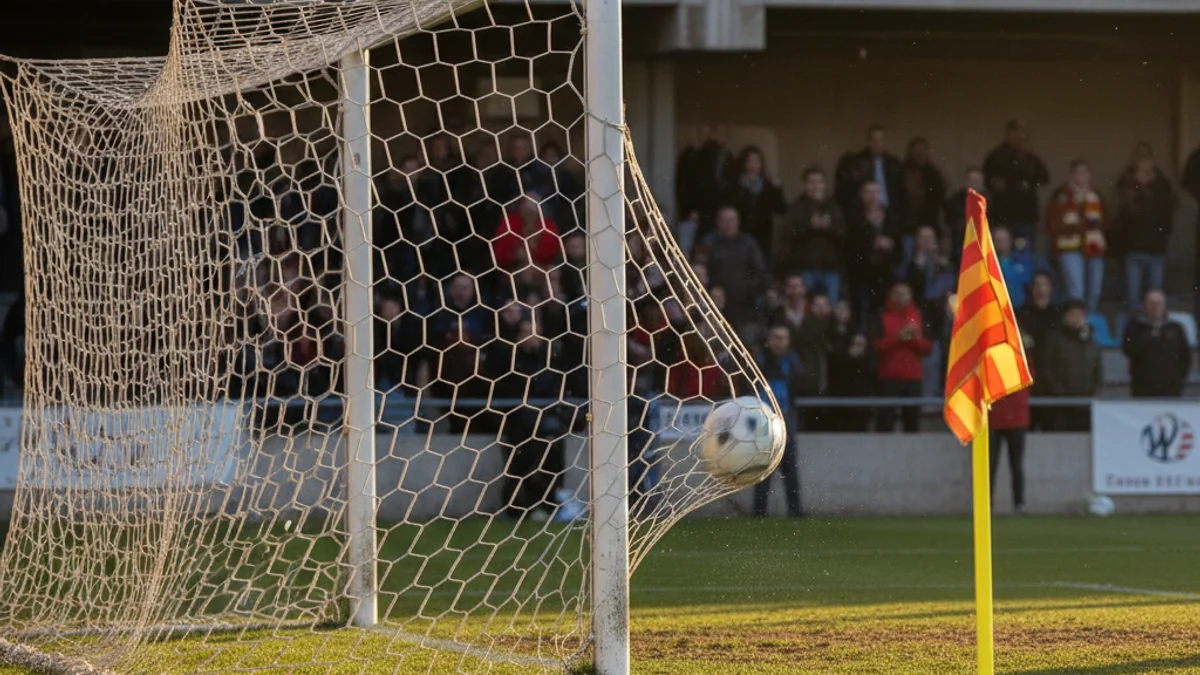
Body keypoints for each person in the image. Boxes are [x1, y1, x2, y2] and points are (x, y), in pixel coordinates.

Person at [752, 325, 805, 518]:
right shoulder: (761, 358)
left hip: (786, 416)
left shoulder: (792, 360)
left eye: (783, 338)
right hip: (763, 419)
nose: (779, 342)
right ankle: (759, 510)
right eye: (776, 337)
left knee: (789, 464)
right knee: (764, 465)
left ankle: (795, 509)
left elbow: (802, 381)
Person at [1115, 157, 1174, 316]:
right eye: (1141, 171)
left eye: (1149, 171)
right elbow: (1124, 218)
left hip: (1156, 250)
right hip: (1133, 250)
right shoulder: (1128, 191)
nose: (1145, 174)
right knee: (1133, 297)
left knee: (1155, 295)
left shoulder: (1162, 190)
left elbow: (1168, 217)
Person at [1046, 160, 1106, 313]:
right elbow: (1053, 223)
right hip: (1069, 248)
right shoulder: (1061, 195)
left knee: (1095, 291)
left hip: (1094, 248)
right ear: (1071, 175)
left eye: (1084, 173)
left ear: (1089, 175)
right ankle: (1076, 322)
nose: (1081, 176)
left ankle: (1089, 322)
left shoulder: (1096, 195)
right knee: (1075, 291)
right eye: (1077, 172)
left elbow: (1105, 221)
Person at [706, 206, 770, 349]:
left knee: (746, 348)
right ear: (718, 222)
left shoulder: (749, 243)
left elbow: (762, 274)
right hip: (719, 307)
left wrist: (746, 289)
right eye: (725, 220)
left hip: (746, 306)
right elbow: (701, 271)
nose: (729, 224)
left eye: (732, 220)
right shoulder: (709, 243)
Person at [872, 282, 931, 432]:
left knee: (912, 422)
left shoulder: (920, 316)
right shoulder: (881, 316)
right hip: (889, 376)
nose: (901, 297)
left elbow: (927, 348)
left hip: (912, 377)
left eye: (904, 294)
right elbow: (875, 346)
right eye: (897, 293)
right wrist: (898, 338)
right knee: (885, 421)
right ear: (891, 296)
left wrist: (914, 339)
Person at [779, 167, 845, 300]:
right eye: (811, 182)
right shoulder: (796, 207)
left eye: (819, 182)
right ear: (805, 185)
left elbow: (844, 235)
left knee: (831, 309)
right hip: (805, 268)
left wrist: (829, 227)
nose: (815, 186)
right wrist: (809, 226)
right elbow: (788, 235)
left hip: (830, 268)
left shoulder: (835, 207)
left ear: (825, 185)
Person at [983, 120, 1050, 248]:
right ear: (1008, 134)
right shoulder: (995, 157)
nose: (1019, 136)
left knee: (1025, 252)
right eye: (1015, 132)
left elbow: (1044, 178)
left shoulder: (1029, 157)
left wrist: (1028, 156)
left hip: (1026, 216)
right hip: (1003, 215)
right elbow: (986, 182)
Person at [1041, 300, 1101, 431]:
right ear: (1065, 317)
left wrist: (1094, 390)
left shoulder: (1091, 340)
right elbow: (1047, 368)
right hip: (1061, 404)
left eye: (1080, 314)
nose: (1077, 318)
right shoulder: (1055, 339)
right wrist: (1059, 391)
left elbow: (1098, 369)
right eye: (1073, 314)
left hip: (1085, 402)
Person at [847, 180, 901, 323]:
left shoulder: (891, 215)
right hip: (862, 273)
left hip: (887, 272)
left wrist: (890, 243)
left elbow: (899, 240)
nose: (872, 196)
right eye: (868, 192)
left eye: (875, 192)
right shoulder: (854, 216)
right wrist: (873, 243)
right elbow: (850, 243)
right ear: (861, 195)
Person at [1122, 290, 1192, 398]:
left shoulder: (1175, 328)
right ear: (1144, 305)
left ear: (1164, 306)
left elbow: (1185, 356)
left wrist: (1179, 378)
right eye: (1151, 303)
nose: (1155, 307)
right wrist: (1148, 336)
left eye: (1158, 303)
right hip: (1142, 387)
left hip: (1171, 389)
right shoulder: (1134, 327)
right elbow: (1127, 350)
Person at [1017, 272, 1060, 431]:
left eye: (1044, 284)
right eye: (1037, 284)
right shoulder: (1022, 313)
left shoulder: (1058, 314)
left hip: (1052, 378)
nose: (1041, 289)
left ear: (1050, 288)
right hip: (1029, 375)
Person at [835, 124, 905, 222]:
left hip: (889, 214)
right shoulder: (856, 162)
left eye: (881, 140)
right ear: (868, 142)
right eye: (874, 140)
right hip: (863, 214)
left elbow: (900, 192)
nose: (878, 144)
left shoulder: (893, 164)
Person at [823, 300, 873, 431]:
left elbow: (867, 363)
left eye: (844, 309)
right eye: (838, 309)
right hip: (835, 387)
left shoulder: (858, 335)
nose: (841, 313)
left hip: (856, 389)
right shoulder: (827, 333)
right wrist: (848, 355)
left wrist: (860, 353)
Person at [727, 146, 786, 255]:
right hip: (742, 232)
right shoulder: (737, 184)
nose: (753, 165)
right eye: (750, 161)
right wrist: (743, 189)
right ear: (744, 164)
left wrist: (777, 188)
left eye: (757, 161)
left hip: (763, 234)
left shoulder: (767, 184)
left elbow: (781, 209)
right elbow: (733, 206)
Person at [492, 193, 563, 271]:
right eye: (526, 207)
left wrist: (535, 249)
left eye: (533, 207)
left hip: (542, 267)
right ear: (520, 207)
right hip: (512, 269)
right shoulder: (509, 222)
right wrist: (515, 254)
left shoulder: (548, 226)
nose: (529, 212)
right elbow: (500, 253)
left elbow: (553, 252)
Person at [989, 381, 1030, 515]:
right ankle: (1019, 504)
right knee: (1011, 465)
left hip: (999, 417)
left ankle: (1017, 503)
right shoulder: (1022, 361)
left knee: (994, 466)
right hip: (1011, 417)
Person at [902, 137, 947, 242]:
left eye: (923, 151)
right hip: (908, 223)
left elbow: (941, 197)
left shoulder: (933, 172)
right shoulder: (903, 171)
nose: (920, 154)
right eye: (917, 151)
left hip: (929, 220)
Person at [945, 166, 989, 267]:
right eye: (972, 180)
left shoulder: (990, 199)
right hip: (961, 240)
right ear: (966, 182)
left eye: (977, 180)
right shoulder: (955, 200)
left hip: (984, 241)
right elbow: (949, 221)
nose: (974, 183)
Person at [993, 226, 1034, 310]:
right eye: (998, 241)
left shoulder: (1023, 261)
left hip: (1022, 309)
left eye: (1005, 240)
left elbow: (1030, 284)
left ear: (1010, 240)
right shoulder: (988, 263)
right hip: (997, 309)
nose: (1002, 243)